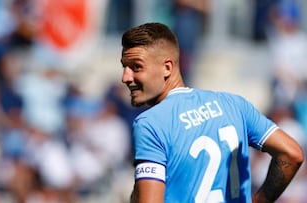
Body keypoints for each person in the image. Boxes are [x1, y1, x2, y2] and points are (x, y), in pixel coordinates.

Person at [120, 22, 304, 203]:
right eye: (124, 67)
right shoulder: (233, 104)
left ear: (167, 68)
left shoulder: (150, 123)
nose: (125, 77)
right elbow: (291, 154)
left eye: (136, 67)